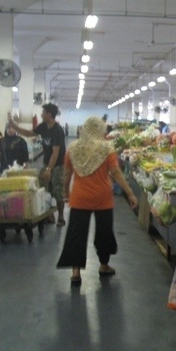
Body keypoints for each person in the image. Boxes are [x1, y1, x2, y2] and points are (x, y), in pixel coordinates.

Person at [56, 116, 138, 285]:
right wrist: (130, 193)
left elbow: (67, 175)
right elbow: (116, 173)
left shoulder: (72, 148)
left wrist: (66, 192)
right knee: (104, 232)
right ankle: (103, 265)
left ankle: (76, 272)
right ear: (100, 130)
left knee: (76, 234)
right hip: (102, 198)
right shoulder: (106, 149)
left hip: (79, 198)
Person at [8, 103, 67, 226]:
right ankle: (48, 215)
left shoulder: (58, 130)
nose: (41, 114)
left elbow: (55, 152)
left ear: (49, 114)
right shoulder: (43, 126)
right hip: (47, 163)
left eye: (43, 112)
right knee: (43, 188)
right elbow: (29, 133)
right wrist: (13, 125)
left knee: (58, 191)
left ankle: (61, 217)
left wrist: (49, 169)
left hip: (58, 165)